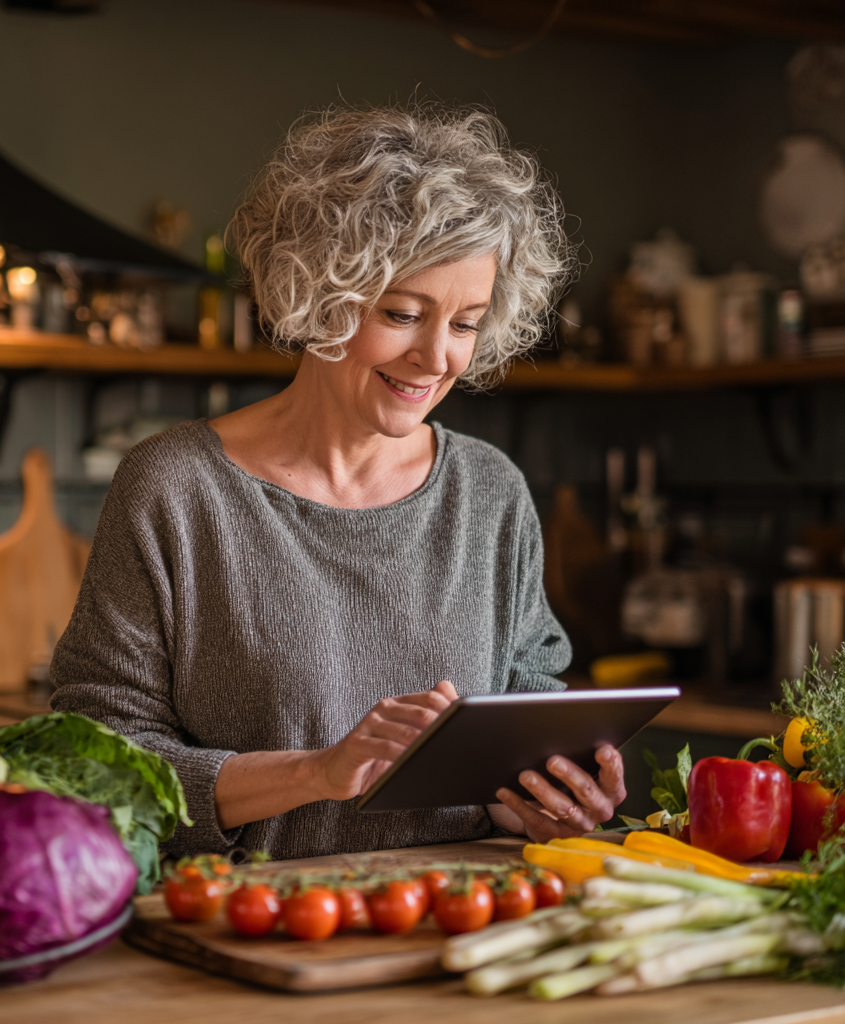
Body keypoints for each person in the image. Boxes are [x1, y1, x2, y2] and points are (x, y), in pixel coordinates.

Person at [50, 104, 626, 860]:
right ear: (318, 291)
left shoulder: (490, 493)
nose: (435, 358)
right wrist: (316, 773)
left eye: (465, 323)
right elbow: (98, 761)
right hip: (249, 924)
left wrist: (554, 799)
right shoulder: (177, 489)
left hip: (461, 915)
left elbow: (527, 721)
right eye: (403, 313)